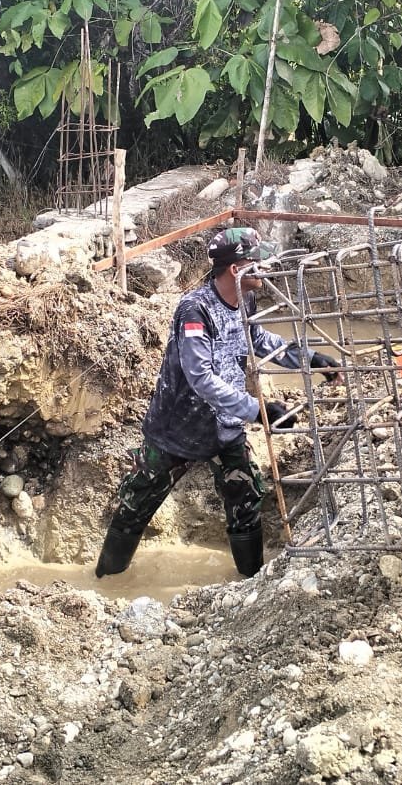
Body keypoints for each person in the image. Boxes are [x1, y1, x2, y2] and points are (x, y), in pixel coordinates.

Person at [94, 227, 341, 579]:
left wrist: (311, 359)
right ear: (236, 269)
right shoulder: (195, 310)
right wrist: (259, 411)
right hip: (175, 431)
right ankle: (106, 581)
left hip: (224, 428)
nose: (265, 268)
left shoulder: (245, 300)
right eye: (258, 261)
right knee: (137, 504)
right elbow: (201, 378)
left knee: (246, 496)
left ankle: (250, 584)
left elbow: (258, 337)